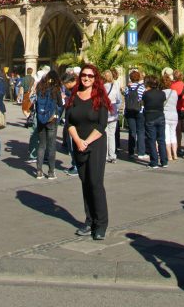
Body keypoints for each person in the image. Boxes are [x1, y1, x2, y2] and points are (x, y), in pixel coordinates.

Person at [65, 63, 111, 240]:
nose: (86, 78)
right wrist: (78, 141)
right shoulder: (73, 97)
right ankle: (89, 220)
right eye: (84, 75)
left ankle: (101, 224)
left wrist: (87, 141)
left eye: (90, 76)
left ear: (95, 78)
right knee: (85, 183)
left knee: (95, 183)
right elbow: (69, 122)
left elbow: (102, 125)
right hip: (79, 144)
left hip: (96, 144)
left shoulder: (100, 98)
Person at [33, 68, 63, 179]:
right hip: (52, 119)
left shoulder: (40, 87)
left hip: (41, 118)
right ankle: (51, 172)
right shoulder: (56, 89)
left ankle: (39, 171)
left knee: (41, 145)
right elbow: (60, 104)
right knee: (51, 146)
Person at [143, 74, 168, 169]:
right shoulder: (162, 93)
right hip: (160, 115)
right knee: (161, 139)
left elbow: (143, 102)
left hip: (150, 116)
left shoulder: (146, 94)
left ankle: (154, 162)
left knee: (151, 140)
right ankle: (164, 161)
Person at [124, 69, 146, 159]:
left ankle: (131, 152)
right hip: (139, 111)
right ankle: (141, 152)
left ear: (130, 78)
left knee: (132, 132)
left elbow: (125, 97)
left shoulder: (127, 88)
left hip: (129, 111)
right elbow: (143, 99)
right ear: (139, 78)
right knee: (140, 131)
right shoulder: (142, 88)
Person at [103, 69, 121, 163]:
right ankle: (112, 155)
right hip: (113, 109)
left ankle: (105, 155)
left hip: (104, 110)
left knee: (105, 134)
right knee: (112, 134)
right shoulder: (115, 86)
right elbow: (118, 100)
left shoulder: (102, 87)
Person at [162, 71, 180, 161]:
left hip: (165, 115)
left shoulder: (162, 93)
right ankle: (175, 154)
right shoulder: (175, 93)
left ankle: (169, 155)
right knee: (173, 135)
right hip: (174, 114)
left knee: (167, 135)